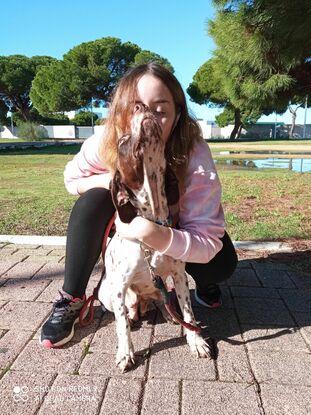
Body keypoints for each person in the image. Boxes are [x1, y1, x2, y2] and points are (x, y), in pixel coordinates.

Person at [40, 62, 238, 349]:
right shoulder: (105, 141)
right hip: (128, 220)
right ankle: (72, 298)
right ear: (121, 112)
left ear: (177, 115)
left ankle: (201, 285)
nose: (148, 117)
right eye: (136, 107)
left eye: (160, 110)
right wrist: (114, 179)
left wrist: (150, 233)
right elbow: (72, 179)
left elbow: (207, 238)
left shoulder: (193, 151)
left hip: (177, 226)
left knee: (219, 264)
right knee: (91, 201)